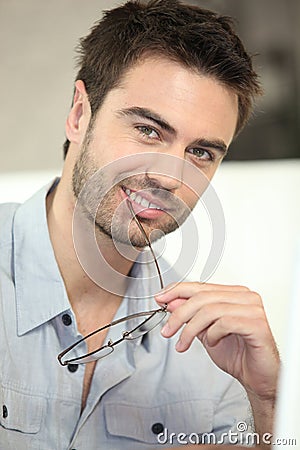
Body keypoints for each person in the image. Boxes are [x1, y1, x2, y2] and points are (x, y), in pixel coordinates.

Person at [0, 1, 279, 449]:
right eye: (149, 130)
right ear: (79, 115)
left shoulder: (214, 353)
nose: (171, 177)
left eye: (202, 153)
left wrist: (269, 402)